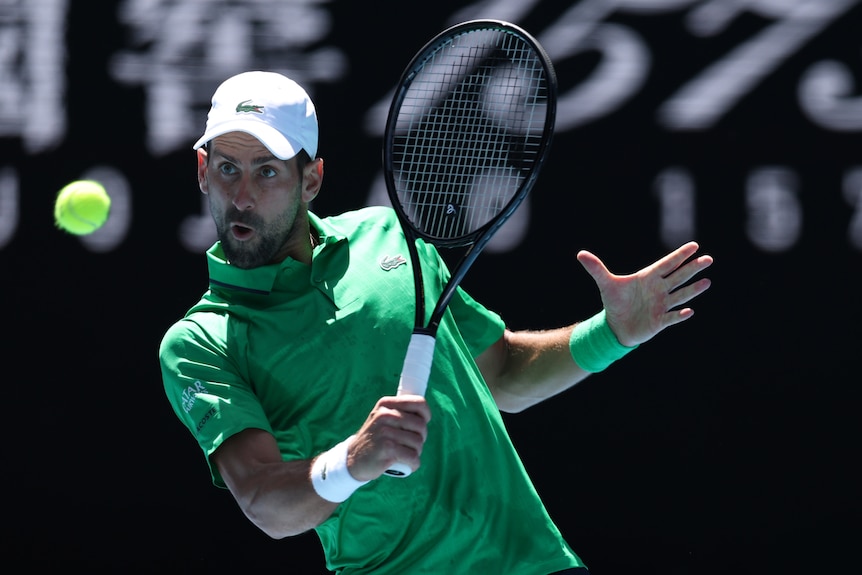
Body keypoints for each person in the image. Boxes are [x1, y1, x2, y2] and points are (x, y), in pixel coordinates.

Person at [159, 70, 713, 574]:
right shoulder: (201, 342)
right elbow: (264, 502)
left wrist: (609, 334)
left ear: (311, 181)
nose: (243, 197)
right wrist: (353, 459)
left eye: (267, 172)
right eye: (228, 169)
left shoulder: (386, 236)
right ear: (203, 171)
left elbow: (500, 375)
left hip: (536, 563)